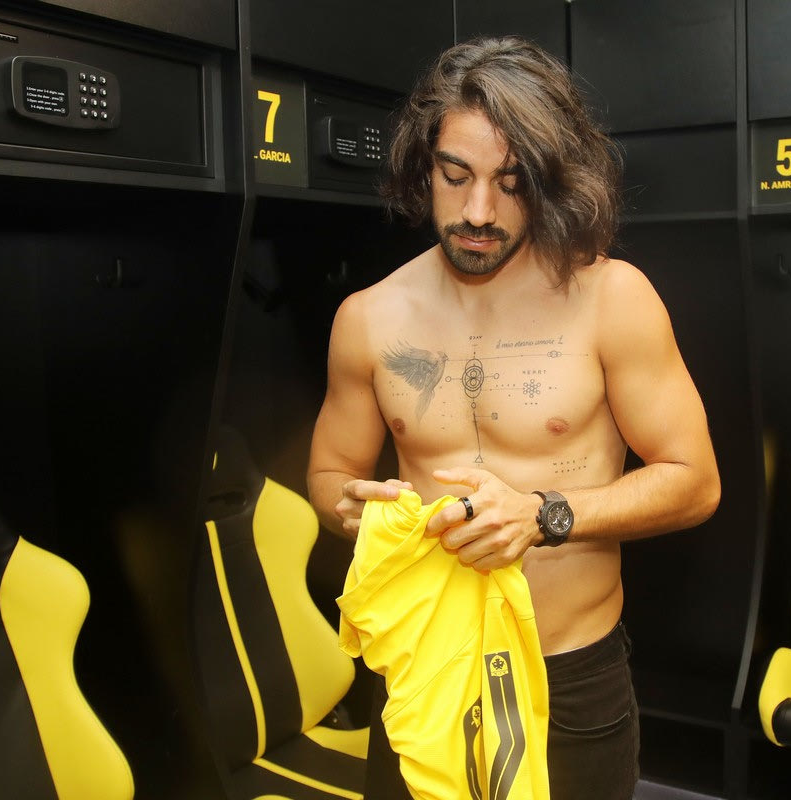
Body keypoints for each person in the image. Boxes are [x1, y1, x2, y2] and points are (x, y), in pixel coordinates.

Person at [307, 36, 720, 799]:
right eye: (455, 175)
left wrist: (543, 515)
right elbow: (330, 476)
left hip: (568, 677)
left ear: (550, 179)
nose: (478, 212)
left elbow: (695, 483)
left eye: (511, 182)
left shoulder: (613, 299)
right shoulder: (368, 319)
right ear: (424, 167)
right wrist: (357, 510)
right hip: (425, 664)